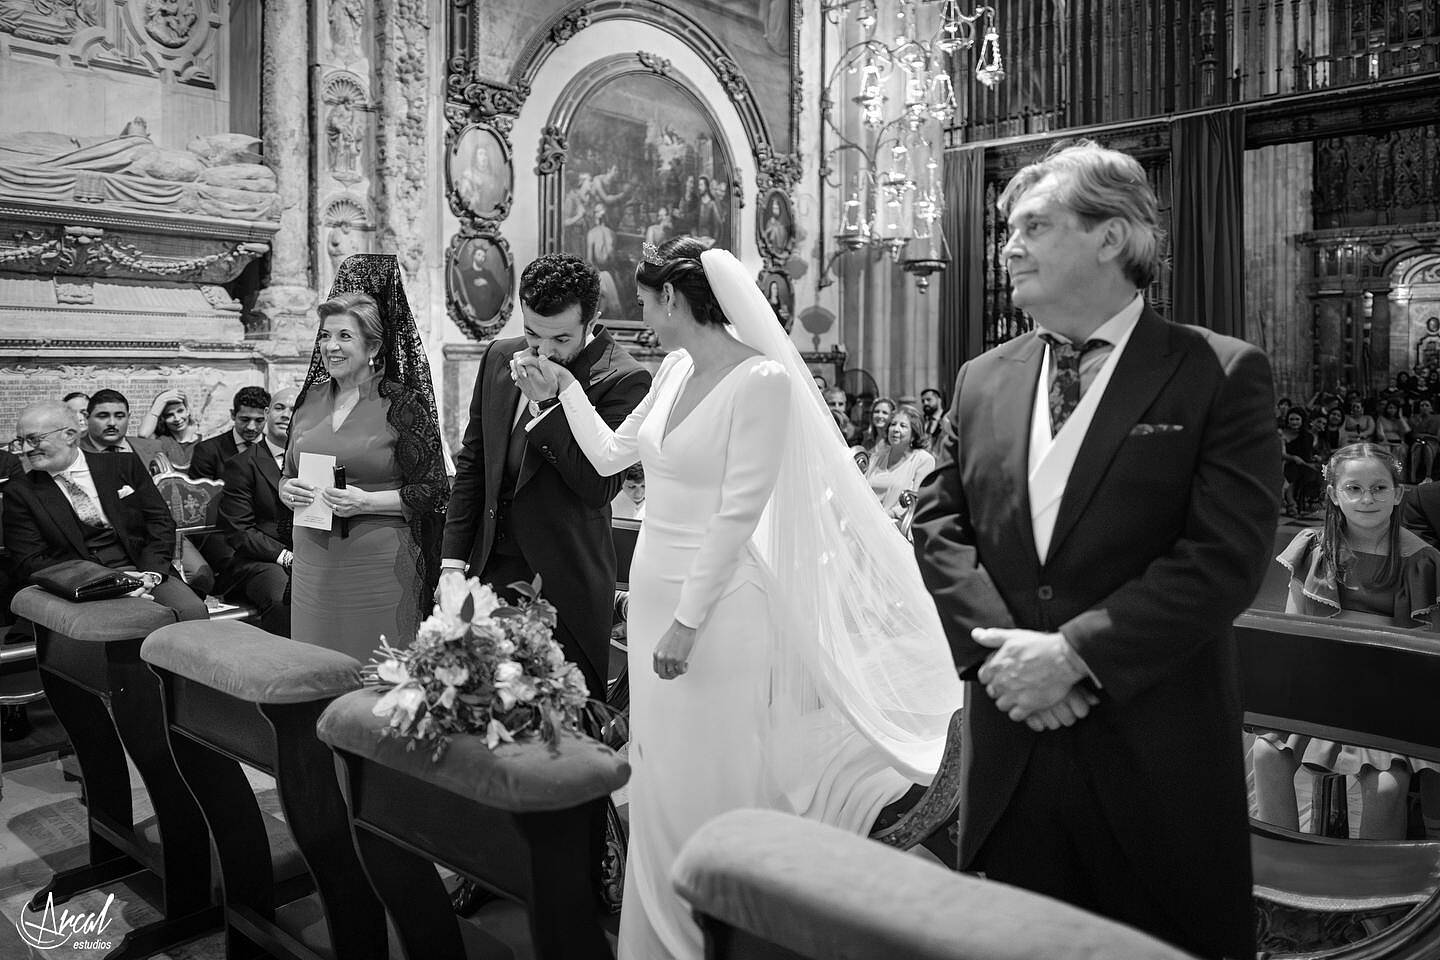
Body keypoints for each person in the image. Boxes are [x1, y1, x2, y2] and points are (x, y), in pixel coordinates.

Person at [521, 237, 964, 960]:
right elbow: (609, 455)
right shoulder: (669, 372)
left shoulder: (762, 381)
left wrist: (688, 623)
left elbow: (737, 512)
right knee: (658, 772)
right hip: (661, 593)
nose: (639, 313)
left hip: (720, 609)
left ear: (673, 300)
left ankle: (716, 933)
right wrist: (563, 391)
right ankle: (654, 938)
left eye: (645, 300)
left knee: (708, 775)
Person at [910, 141, 1279, 960]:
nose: (1008, 246)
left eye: (1034, 226)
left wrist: (1073, 654)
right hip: (1009, 746)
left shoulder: (1216, 373)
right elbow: (939, 523)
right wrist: (1003, 658)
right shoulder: (980, 377)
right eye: (1008, 229)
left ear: (1112, 238)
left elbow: (1222, 559)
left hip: (1152, 753)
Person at [440, 253, 651, 698]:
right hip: (488, 571)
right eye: (533, 333)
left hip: (564, 584)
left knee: (559, 729)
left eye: (560, 338)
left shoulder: (625, 379)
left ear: (591, 320)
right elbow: (474, 463)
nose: (542, 351)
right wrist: (452, 563)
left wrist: (546, 405)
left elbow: (597, 487)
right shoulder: (500, 356)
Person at [1255, 444, 1440, 839]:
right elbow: (1295, 629)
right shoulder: (1314, 547)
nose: (1367, 499)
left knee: (1387, 785)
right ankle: (1283, 860)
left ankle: (1377, 884)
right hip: (1322, 681)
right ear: (1334, 494)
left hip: (1391, 691)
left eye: (1379, 488)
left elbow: (1428, 645)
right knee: (1267, 753)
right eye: (1353, 488)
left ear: (1397, 492)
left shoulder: (1422, 560)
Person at [278, 255, 447, 660]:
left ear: (373, 346)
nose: (330, 347)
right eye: (325, 335)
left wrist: (366, 501)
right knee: (312, 672)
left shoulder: (402, 405)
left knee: (375, 679)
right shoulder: (309, 400)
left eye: (343, 337)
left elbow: (433, 490)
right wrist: (288, 491)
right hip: (313, 564)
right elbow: (287, 472)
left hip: (377, 566)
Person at [3, 401, 208, 621]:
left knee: (190, 611)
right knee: (88, 629)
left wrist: (151, 573)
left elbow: (161, 522)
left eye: (34, 439)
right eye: (21, 441)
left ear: (70, 435)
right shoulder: (21, 491)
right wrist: (109, 581)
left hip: (144, 568)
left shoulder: (123, 465)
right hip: (78, 582)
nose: (25, 449)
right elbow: (31, 560)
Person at [216, 388, 297, 637]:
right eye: (279, 407)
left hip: (310, 553)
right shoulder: (242, 464)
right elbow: (239, 530)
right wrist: (285, 556)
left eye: (294, 409)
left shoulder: (315, 459)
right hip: (260, 559)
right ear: (267, 413)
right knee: (285, 596)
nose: (285, 415)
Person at [865, 404, 935, 522]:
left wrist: (889, 515)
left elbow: (917, 500)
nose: (895, 429)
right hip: (867, 520)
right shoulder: (877, 457)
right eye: (893, 424)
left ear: (914, 434)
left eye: (903, 426)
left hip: (896, 527)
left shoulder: (924, 460)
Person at [78, 389, 172, 472]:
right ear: (87, 418)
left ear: (128, 417)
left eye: (119, 416)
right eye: (103, 416)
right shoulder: (72, 452)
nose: (112, 423)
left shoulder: (154, 448)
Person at [190, 386, 270, 481]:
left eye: (259, 420)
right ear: (233, 415)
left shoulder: (278, 449)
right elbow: (201, 493)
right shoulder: (207, 451)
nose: (251, 427)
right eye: (244, 420)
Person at [137, 388, 202, 470]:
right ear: (162, 418)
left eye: (180, 411)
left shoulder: (202, 441)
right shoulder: (162, 442)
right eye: (169, 415)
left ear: (187, 411)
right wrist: (161, 400)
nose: (177, 418)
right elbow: (143, 435)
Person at [1408, 398, 1440, 483]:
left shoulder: (1438, 418)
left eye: (1427, 405)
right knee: (1418, 446)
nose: (1424, 407)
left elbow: (1437, 437)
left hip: (1433, 442)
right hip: (1418, 441)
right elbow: (1413, 434)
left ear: (1431, 408)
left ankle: (1428, 476)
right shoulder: (1414, 418)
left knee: (1427, 447)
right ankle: (1413, 475)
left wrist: (1425, 435)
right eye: (1422, 405)